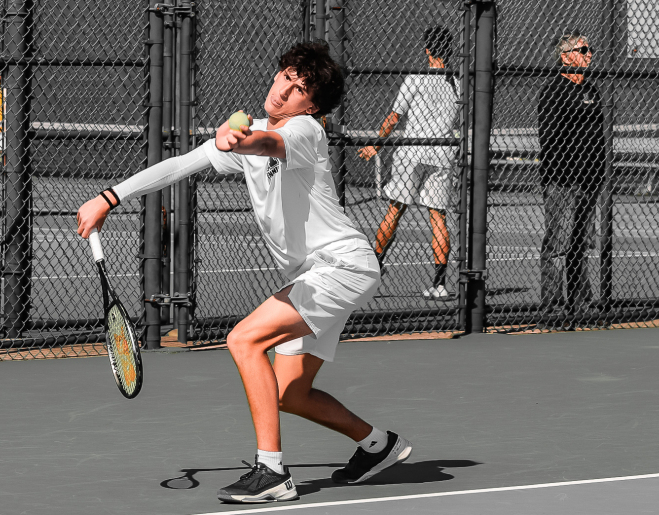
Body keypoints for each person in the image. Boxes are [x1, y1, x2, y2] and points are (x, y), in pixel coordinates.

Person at [76, 42, 412, 504]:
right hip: (316, 274)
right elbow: (179, 165)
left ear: (311, 106)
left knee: (243, 339)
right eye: (287, 78)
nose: (286, 91)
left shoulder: (304, 132)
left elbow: (271, 144)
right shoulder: (254, 130)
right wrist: (108, 198)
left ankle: (272, 474)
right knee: (290, 394)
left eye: (300, 90)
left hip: (341, 267)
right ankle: (379, 445)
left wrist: (243, 140)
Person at [358, 26, 460, 300]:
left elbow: (393, 117)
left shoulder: (415, 79)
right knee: (438, 218)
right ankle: (439, 284)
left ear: (427, 49)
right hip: (442, 153)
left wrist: (375, 145)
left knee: (394, 211)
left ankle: (374, 272)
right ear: (449, 50)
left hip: (412, 153)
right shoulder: (458, 82)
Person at [536, 32, 605, 325]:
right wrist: (569, 169)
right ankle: (551, 304)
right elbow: (548, 139)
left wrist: (596, 171)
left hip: (589, 181)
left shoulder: (591, 89)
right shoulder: (553, 90)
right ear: (566, 57)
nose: (590, 54)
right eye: (583, 49)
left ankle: (581, 301)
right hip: (563, 181)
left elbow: (598, 136)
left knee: (579, 243)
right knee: (558, 244)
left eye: (590, 49)